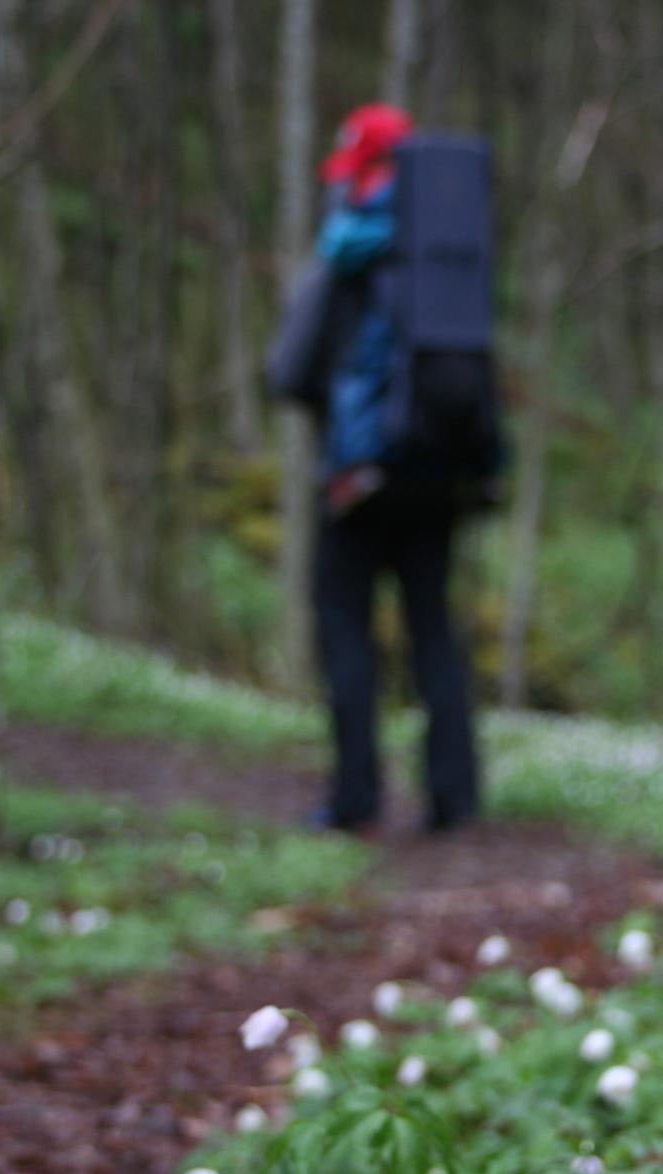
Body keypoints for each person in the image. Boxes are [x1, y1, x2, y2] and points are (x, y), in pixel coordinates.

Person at [280, 104, 483, 833]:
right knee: (434, 628)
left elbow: (290, 369)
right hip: (441, 467)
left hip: (360, 475)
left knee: (345, 625)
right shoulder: (455, 251)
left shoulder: (348, 252)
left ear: (369, 172)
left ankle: (356, 795)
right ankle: (454, 796)